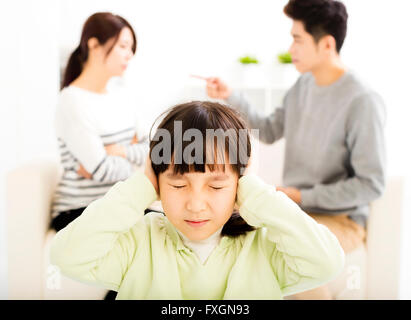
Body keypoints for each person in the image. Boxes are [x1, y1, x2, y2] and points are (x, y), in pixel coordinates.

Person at [50, 100, 344, 300]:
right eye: (178, 184)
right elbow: (67, 256)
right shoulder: (139, 242)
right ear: (157, 181)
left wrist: (255, 189)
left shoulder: (264, 247)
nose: (196, 204)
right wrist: (139, 187)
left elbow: (326, 263)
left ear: (239, 184)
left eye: (216, 186)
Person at [206, 0, 386, 299]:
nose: (291, 49)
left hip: (341, 221)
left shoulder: (362, 100)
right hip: (296, 210)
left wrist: (301, 195)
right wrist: (231, 96)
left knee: (285, 251)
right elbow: (270, 127)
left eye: (297, 39)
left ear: (327, 44)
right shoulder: (303, 86)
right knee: (233, 238)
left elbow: (371, 184)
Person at [50, 12, 149, 232]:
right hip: (79, 210)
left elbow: (151, 147)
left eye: (131, 48)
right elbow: (102, 170)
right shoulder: (72, 100)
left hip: (117, 202)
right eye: (123, 46)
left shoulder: (121, 95)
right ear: (94, 45)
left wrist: (120, 151)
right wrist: (137, 162)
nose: (129, 55)